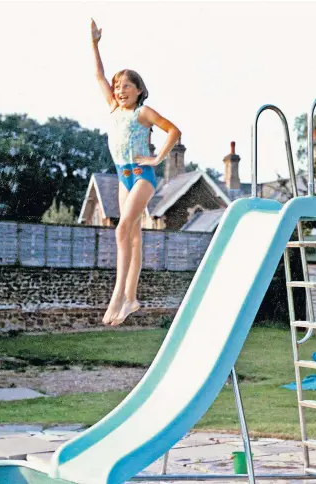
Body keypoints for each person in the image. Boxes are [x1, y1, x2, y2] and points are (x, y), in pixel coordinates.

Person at [90, 18, 181, 326]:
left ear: (139, 90)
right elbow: (98, 75)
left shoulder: (143, 113)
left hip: (142, 175)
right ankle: (131, 297)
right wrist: (94, 43)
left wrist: (157, 161)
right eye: (118, 86)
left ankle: (118, 296)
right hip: (122, 175)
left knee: (122, 229)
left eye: (126, 85)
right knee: (134, 237)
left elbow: (173, 131)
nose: (120, 89)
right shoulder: (114, 109)